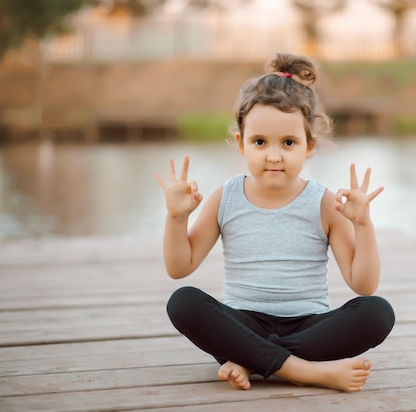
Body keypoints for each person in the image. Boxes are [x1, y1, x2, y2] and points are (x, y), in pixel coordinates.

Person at [155, 52, 395, 393]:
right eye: (259, 142)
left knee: (377, 312)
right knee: (183, 301)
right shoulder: (226, 197)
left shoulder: (323, 202)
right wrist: (177, 219)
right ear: (241, 143)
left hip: (309, 327)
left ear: (309, 145)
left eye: (288, 142)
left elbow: (363, 285)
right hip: (242, 324)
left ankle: (253, 361)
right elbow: (180, 267)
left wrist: (363, 226)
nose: (273, 155)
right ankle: (304, 370)